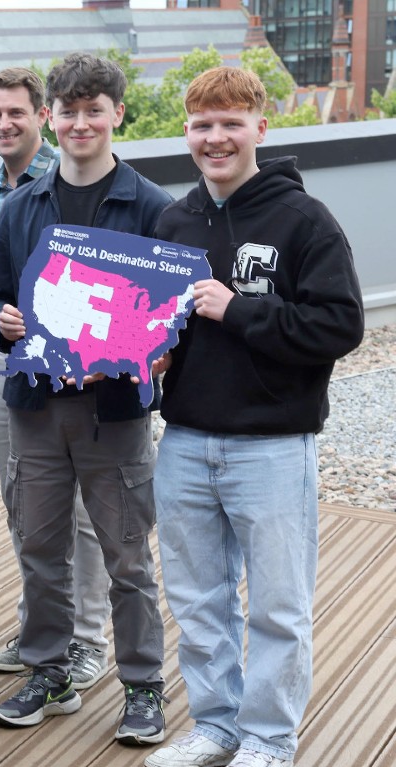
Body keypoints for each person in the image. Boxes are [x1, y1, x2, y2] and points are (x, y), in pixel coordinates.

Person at [145, 67, 364, 767]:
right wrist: (146, 355)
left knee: (276, 604)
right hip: (183, 440)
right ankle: (217, 723)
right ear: (187, 133)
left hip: (272, 444)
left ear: (260, 129)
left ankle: (269, 737)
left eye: (230, 123)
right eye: (202, 124)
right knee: (199, 600)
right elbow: (154, 327)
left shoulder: (305, 220)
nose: (216, 138)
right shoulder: (173, 222)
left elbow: (341, 324)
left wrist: (240, 310)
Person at [0, 52, 170, 745]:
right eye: (69, 110)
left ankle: (143, 685)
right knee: (40, 546)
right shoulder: (22, 205)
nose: (81, 122)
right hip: (36, 405)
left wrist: (129, 354)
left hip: (113, 415)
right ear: (51, 116)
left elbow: (168, 320)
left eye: (95, 110)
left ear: (118, 114)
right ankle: (49, 671)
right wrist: (0, 321)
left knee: (126, 555)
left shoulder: (152, 206)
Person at [0, 66, 113, 692]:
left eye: (17, 113)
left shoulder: (69, 181)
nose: (5, 124)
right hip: (10, 367)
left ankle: (87, 637)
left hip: (78, 371)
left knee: (81, 507)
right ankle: (42, 623)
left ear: (42, 117)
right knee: (23, 500)